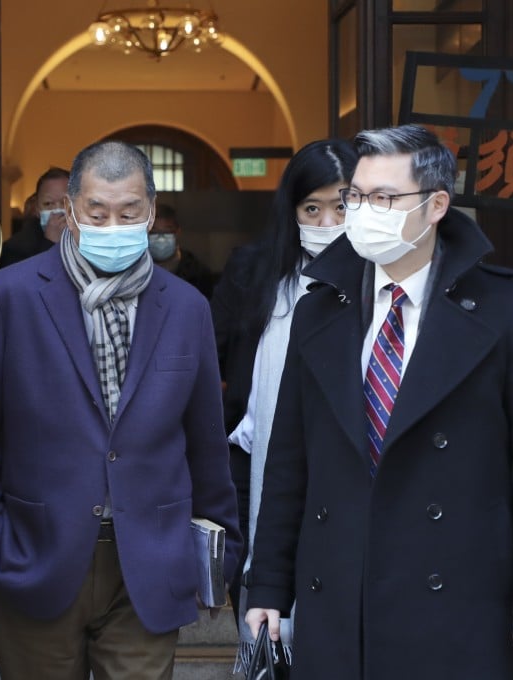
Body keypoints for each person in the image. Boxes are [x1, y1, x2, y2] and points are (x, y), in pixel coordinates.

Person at [244, 124, 513, 679]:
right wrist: (268, 585)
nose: (362, 212)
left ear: (436, 205)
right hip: (341, 593)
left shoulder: (505, 306)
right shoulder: (319, 309)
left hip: (460, 596)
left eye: (384, 198)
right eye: (357, 196)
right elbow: (289, 463)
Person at [0, 140, 241, 680]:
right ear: (70, 210)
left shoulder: (186, 307)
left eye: (129, 213)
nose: (113, 225)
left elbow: (205, 438)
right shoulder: (9, 297)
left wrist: (219, 551)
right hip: (35, 553)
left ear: (151, 212)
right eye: (97, 212)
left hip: (149, 560)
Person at [211, 139, 356, 668]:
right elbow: (211, 355)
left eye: (343, 205)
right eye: (312, 208)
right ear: (291, 210)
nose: (329, 219)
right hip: (257, 469)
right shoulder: (256, 270)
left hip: (348, 477)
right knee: (265, 613)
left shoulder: (384, 279)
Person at [0, 166, 69, 268]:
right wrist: (50, 244)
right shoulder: (15, 249)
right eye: (48, 204)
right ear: (37, 209)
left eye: (65, 202)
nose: (57, 211)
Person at [148, 203, 218, 299]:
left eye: (167, 232)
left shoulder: (198, 273)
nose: (161, 238)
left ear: (177, 233)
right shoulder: (135, 271)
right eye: (154, 232)